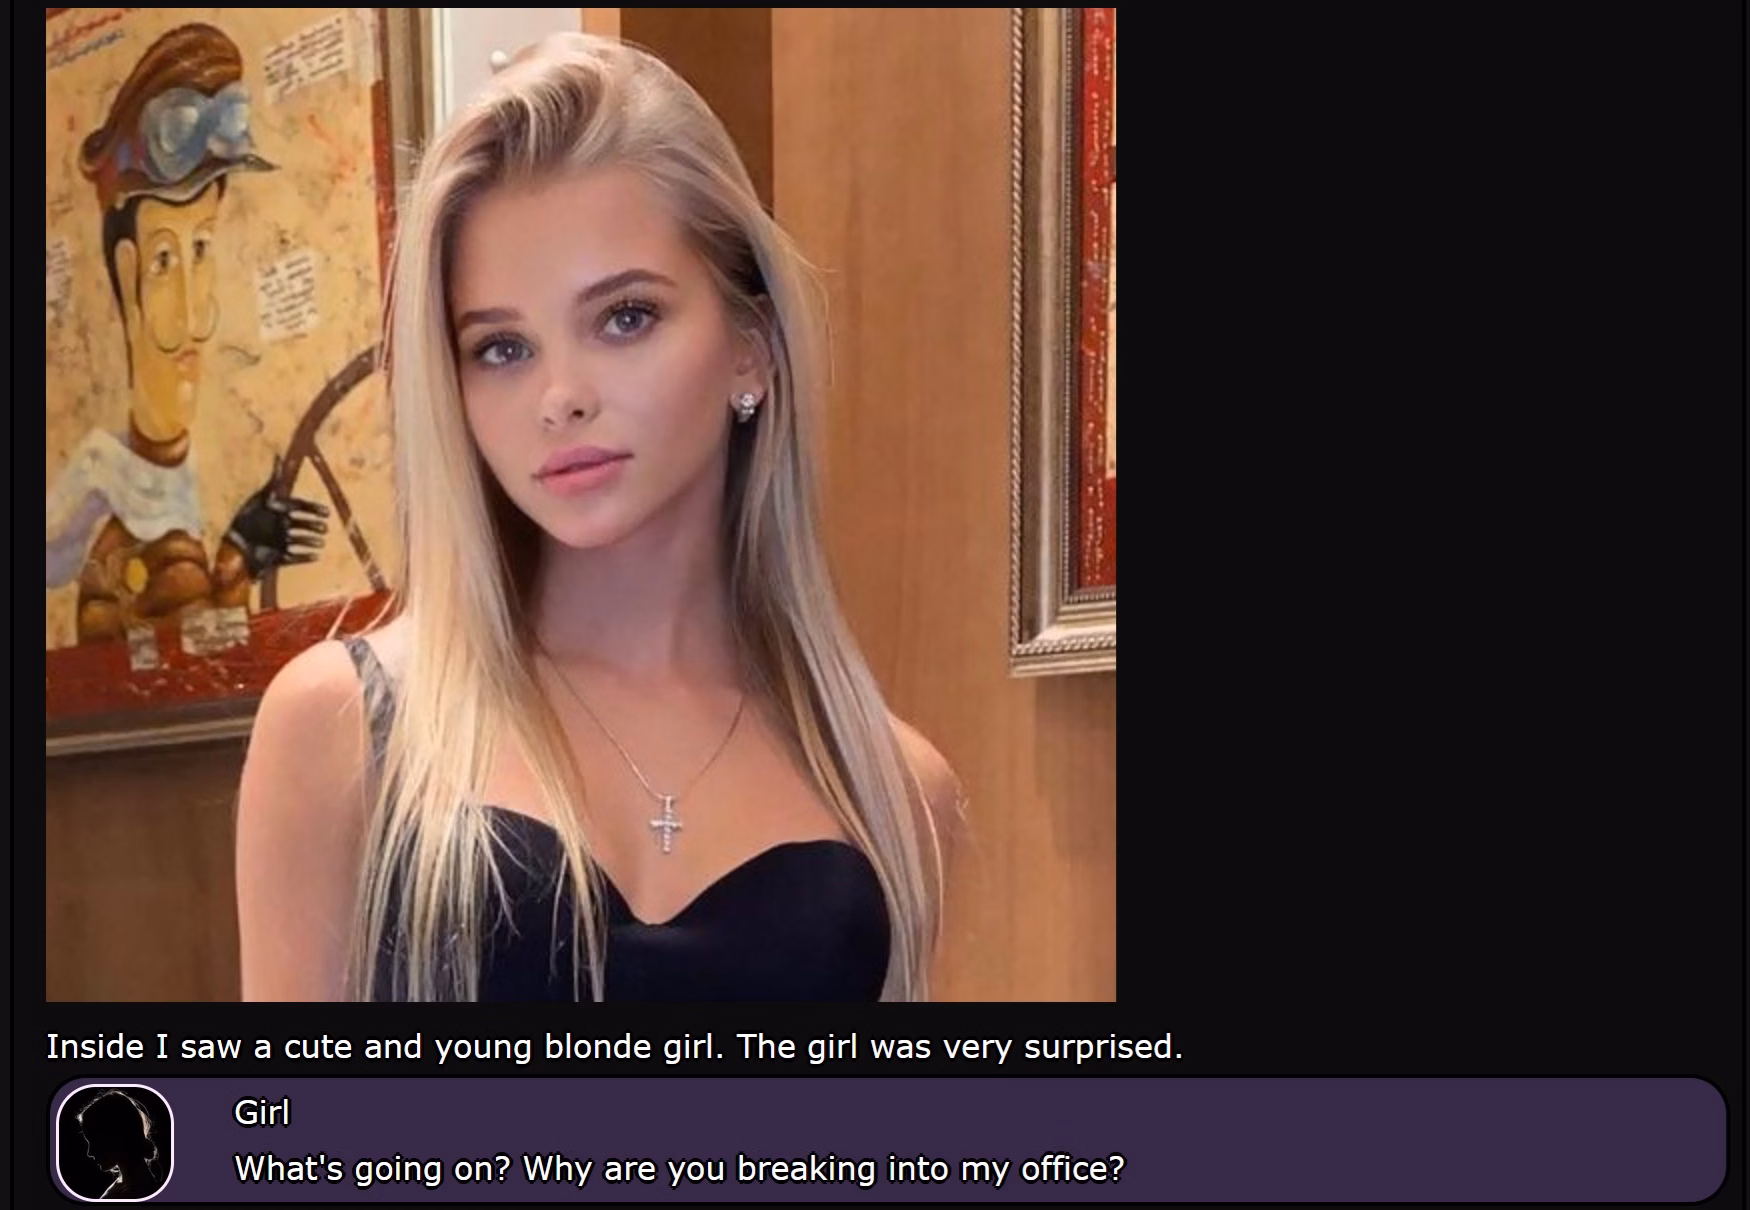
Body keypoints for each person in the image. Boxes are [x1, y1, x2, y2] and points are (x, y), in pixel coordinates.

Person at [237, 33, 961, 1001]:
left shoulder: (898, 793)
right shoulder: (342, 726)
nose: (560, 397)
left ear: (750, 345)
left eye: (625, 317)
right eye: (501, 348)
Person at [46, 22, 329, 645]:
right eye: (164, 260)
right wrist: (229, 567)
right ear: (127, 276)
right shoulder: (107, 502)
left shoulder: (186, 481)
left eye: (201, 250)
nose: (198, 313)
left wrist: (236, 565)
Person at [76, 1090, 165, 1200]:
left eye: (95, 1142)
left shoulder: (131, 1194)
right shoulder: (126, 1185)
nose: (90, 1153)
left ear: (118, 1136)